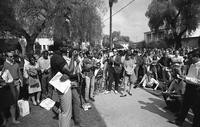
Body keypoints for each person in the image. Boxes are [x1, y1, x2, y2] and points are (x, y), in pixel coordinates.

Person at [171, 52, 200, 127]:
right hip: (189, 86)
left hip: (196, 89)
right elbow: (190, 76)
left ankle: (195, 124)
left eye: (190, 57)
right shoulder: (192, 65)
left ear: (196, 57)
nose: (189, 59)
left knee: (196, 108)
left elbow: (199, 81)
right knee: (185, 105)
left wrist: (187, 78)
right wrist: (183, 77)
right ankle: (179, 121)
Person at [50, 43, 75, 127]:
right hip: (63, 86)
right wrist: (72, 57)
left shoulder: (55, 57)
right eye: (65, 46)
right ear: (60, 47)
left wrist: (67, 74)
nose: (67, 47)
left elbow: (65, 72)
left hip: (60, 85)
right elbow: (70, 70)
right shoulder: (58, 58)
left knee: (62, 110)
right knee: (67, 113)